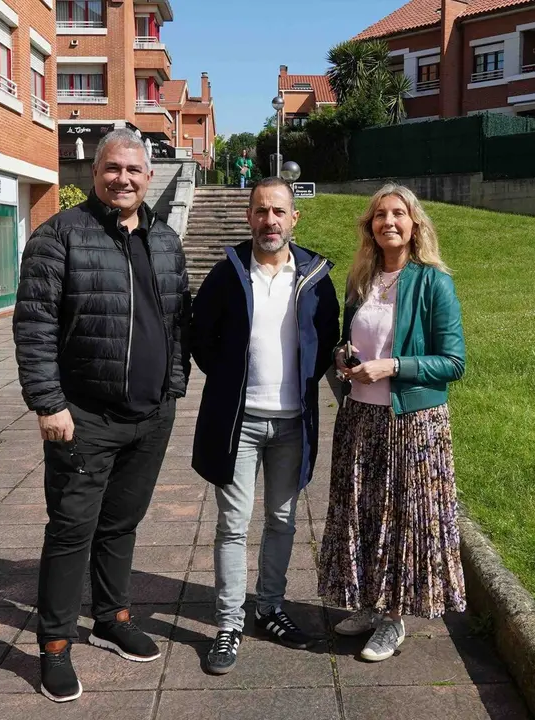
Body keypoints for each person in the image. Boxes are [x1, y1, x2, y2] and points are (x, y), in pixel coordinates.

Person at [13, 128, 191, 702]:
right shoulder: (59, 236)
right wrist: (49, 402)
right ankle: (55, 646)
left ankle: (112, 619)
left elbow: (177, 322)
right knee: (71, 531)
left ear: (149, 177)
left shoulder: (164, 240)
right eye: (114, 169)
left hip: (150, 415)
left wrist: (174, 386)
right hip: (83, 416)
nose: (124, 179)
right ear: (95, 172)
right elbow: (34, 325)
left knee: (121, 524)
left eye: (135, 171)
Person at [190, 176, 340, 674]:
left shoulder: (315, 274)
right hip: (240, 422)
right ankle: (229, 621)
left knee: (282, 520)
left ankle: (270, 607)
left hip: (293, 424)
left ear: (294, 218)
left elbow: (326, 338)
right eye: (260, 211)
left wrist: (298, 383)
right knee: (233, 525)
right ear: (249, 217)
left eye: (278, 211)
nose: (269, 220)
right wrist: (234, 378)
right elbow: (201, 335)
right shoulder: (229, 272)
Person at [316, 183, 467, 662]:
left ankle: (394, 618)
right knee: (362, 511)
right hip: (360, 415)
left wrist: (393, 366)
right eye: (380, 215)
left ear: (414, 223)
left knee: (399, 518)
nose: (389, 222)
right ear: (370, 227)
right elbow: (349, 340)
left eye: (398, 214)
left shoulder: (433, 282)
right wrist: (345, 356)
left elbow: (453, 361)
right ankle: (368, 601)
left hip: (413, 422)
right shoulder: (361, 281)